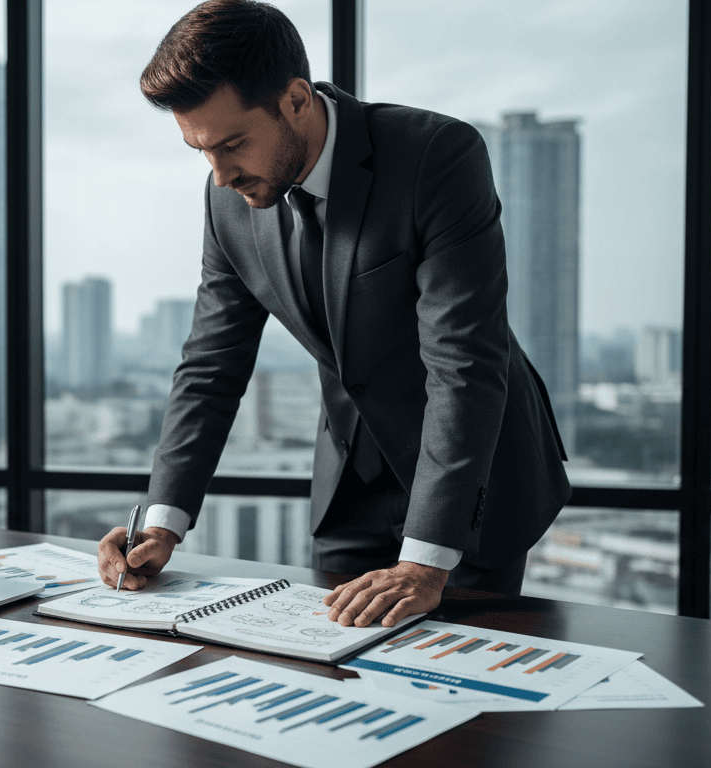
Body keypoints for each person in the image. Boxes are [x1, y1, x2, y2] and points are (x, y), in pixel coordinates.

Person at [97, 0, 570, 628]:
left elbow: (463, 362)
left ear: (296, 99)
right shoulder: (230, 202)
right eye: (200, 150)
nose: (218, 176)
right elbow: (211, 365)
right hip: (348, 483)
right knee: (328, 673)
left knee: (457, 697)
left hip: (469, 486)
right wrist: (162, 522)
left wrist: (426, 562)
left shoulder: (437, 156)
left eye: (233, 144)